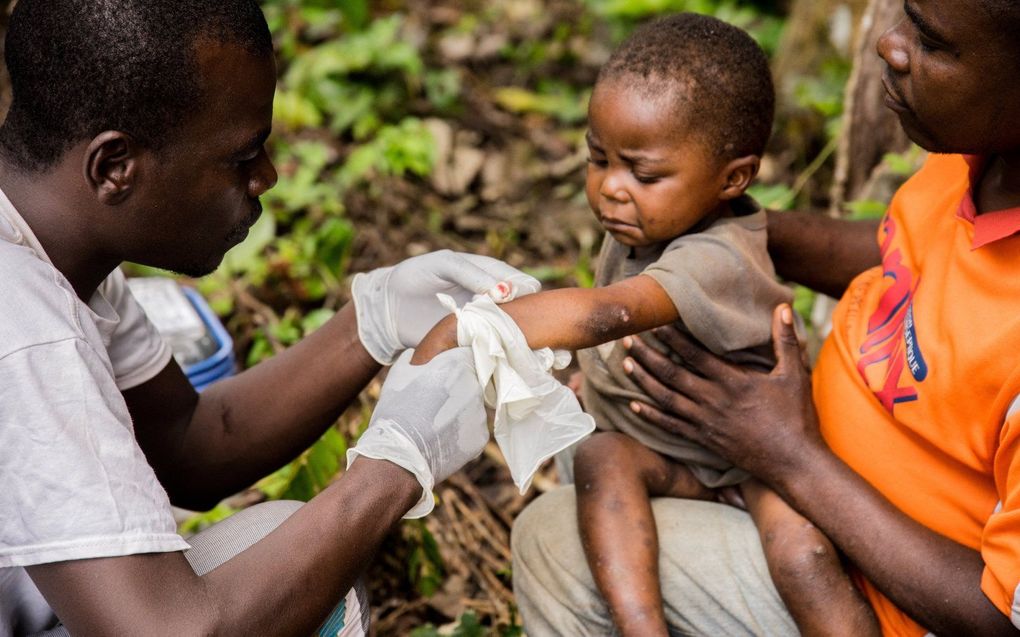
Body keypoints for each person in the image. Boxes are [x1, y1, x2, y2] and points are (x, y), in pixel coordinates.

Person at [0, 1, 540, 635]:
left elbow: (187, 446)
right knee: (302, 598)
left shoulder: (57, 253)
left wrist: (373, 321)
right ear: (115, 167)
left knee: (276, 545)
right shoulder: (26, 327)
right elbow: (167, 632)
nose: (268, 176)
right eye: (241, 156)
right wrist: (395, 467)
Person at [511, 0, 1020, 635]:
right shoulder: (979, 157)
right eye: (907, 15)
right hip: (777, 458)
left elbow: (1003, 619)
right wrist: (716, 241)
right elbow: (904, 249)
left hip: (880, 588)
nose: (889, 44)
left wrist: (790, 456)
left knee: (553, 541)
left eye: (934, 43)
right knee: (585, 446)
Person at [411, 13, 875, 637]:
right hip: (672, 453)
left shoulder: (717, 256)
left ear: (733, 178)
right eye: (598, 159)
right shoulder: (648, 225)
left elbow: (611, 313)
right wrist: (597, 381)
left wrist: (470, 328)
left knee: (804, 556)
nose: (611, 189)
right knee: (603, 460)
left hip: (756, 464)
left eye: (644, 174)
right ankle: (641, 627)